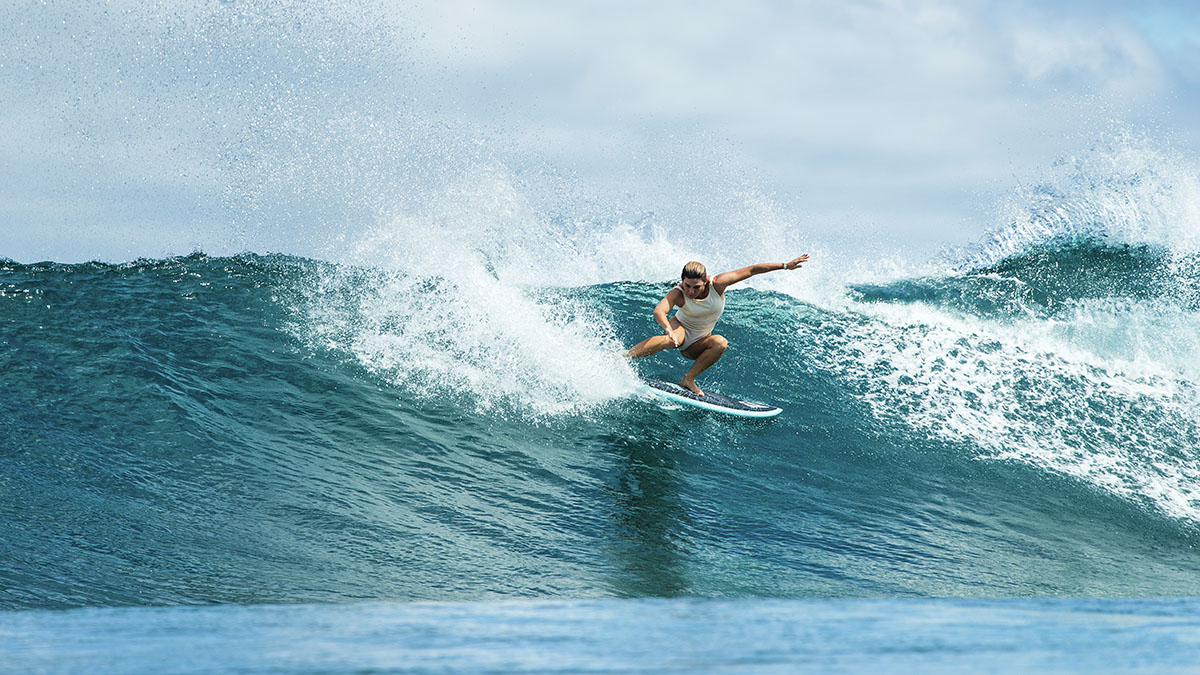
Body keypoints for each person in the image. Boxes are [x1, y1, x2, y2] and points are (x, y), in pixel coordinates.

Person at [624, 255, 809, 396]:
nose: (690, 291)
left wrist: (785, 266)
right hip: (680, 326)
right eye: (687, 285)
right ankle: (625, 356)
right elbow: (659, 311)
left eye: (696, 287)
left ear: (705, 281)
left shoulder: (717, 284)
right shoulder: (678, 293)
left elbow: (752, 270)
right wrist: (667, 329)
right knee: (672, 340)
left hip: (699, 342)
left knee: (720, 342)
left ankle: (688, 379)